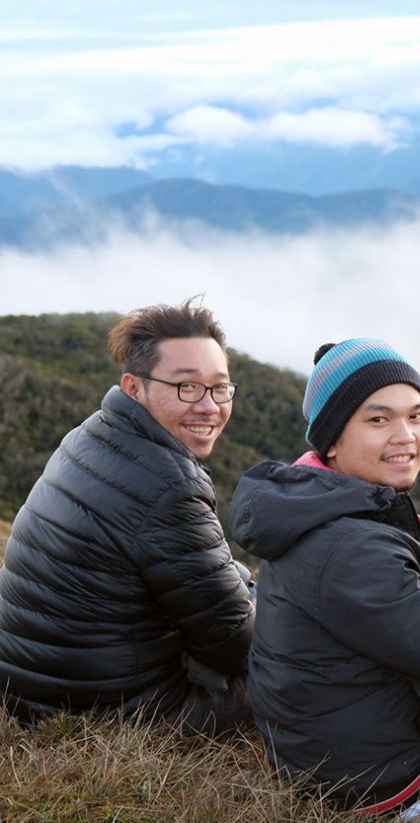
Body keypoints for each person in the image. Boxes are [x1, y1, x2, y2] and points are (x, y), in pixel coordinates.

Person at [230, 338, 420, 820]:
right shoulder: (347, 546)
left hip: (334, 752)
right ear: (332, 440)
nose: (406, 435)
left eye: (417, 415)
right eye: (378, 419)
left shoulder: (317, 503)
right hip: (387, 790)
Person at [0, 297, 254, 732]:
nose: (209, 406)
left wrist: (240, 584)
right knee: (307, 672)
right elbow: (233, 646)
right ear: (134, 387)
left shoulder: (94, 433)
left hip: (28, 683)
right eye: (186, 386)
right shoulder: (168, 485)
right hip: (108, 710)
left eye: (219, 387)